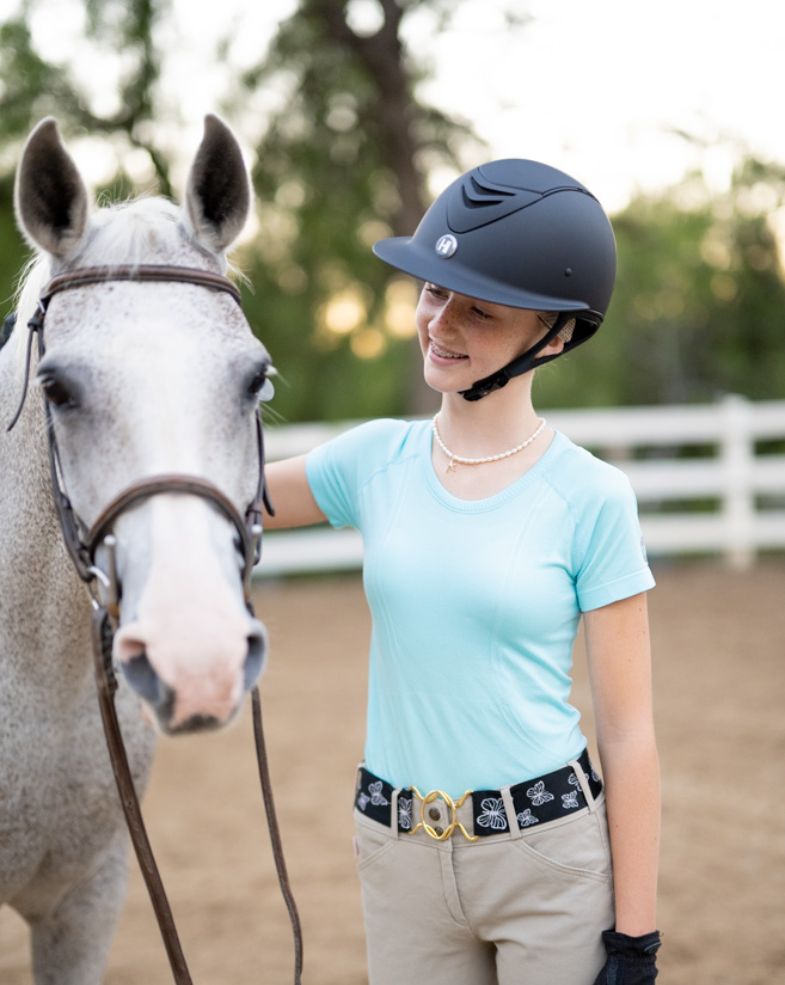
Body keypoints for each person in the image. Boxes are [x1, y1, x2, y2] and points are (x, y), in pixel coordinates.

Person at [263, 159, 661, 985]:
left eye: (477, 308)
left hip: (546, 861)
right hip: (398, 857)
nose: (439, 323)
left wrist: (635, 937)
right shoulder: (373, 459)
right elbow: (217, 496)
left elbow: (627, 734)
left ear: (554, 335)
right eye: (432, 291)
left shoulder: (591, 497)